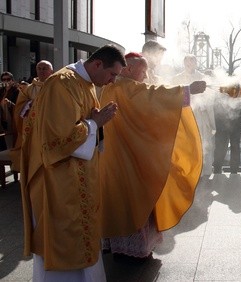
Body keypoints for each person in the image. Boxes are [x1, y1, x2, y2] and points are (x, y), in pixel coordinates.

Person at [19, 44, 126, 281]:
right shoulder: (61, 83)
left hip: (77, 176)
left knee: (82, 238)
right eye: (112, 74)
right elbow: (57, 139)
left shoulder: (86, 83)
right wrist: (95, 123)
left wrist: (96, 123)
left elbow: (86, 124)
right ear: (98, 64)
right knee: (63, 239)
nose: (111, 81)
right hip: (57, 179)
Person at [99, 52, 205, 263]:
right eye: (144, 70)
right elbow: (151, 97)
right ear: (128, 69)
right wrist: (187, 90)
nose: (147, 75)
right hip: (128, 155)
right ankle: (131, 250)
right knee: (134, 197)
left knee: (121, 198)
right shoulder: (124, 87)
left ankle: (120, 246)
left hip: (121, 152)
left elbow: (148, 100)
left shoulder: (115, 86)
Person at [171, 54, 216, 176]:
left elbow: (210, 100)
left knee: (203, 145)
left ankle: (204, 172)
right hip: (184, 118)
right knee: (186, 147)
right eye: (187, 62)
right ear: (184, 63)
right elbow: (172, 98)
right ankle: (187, 172)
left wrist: (212, 124)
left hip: (200, 117)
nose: (189, 65)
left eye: (192, 62)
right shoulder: (176, 79)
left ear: (196, 63)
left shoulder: (203, 78)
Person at [10, 60, 54, 179]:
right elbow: (20, 107)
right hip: (32, 128)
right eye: (39, 68)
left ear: (51, 71)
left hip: (50, 127)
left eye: (45, 68)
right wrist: (33, 104)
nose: (41, 71)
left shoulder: (56, 87)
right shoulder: (29, 89)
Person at [0, 71, 20, 149]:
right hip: (2, 117)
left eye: (8, 79)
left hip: (11, 117)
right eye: (4, 79)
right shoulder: (1, 91)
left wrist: (10, 103)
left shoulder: (17, 91)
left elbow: (19, 106)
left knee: (10, 138)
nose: (6, 81)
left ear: (12, 80)